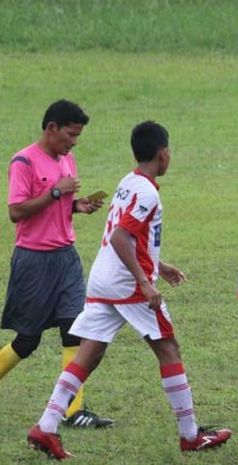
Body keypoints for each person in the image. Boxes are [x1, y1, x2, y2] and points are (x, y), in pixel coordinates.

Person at [27, 121, 232, 460]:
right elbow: (122, 236)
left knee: (88, 356)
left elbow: (128, 235)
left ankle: (45, 427)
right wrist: (144, 281)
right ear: (163, 153)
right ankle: (190, 435)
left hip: (103, 279)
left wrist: (158, 264)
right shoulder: (147, 191)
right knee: (169, 349)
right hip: (126, 285)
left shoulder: (129, 180)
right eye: (170, 152)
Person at [0, 99, 112, 428]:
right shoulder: (24, 161)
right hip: (34, 260)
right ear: (51, 129)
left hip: (66, 257)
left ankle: (73, 410)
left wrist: (77, 205)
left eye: (77, 136)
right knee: (27, 341)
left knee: (75, 330)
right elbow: (16, 212)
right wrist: (54, 193)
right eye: (70, 135)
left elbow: (60, 204)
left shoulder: (67, 159)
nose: (74, 142)